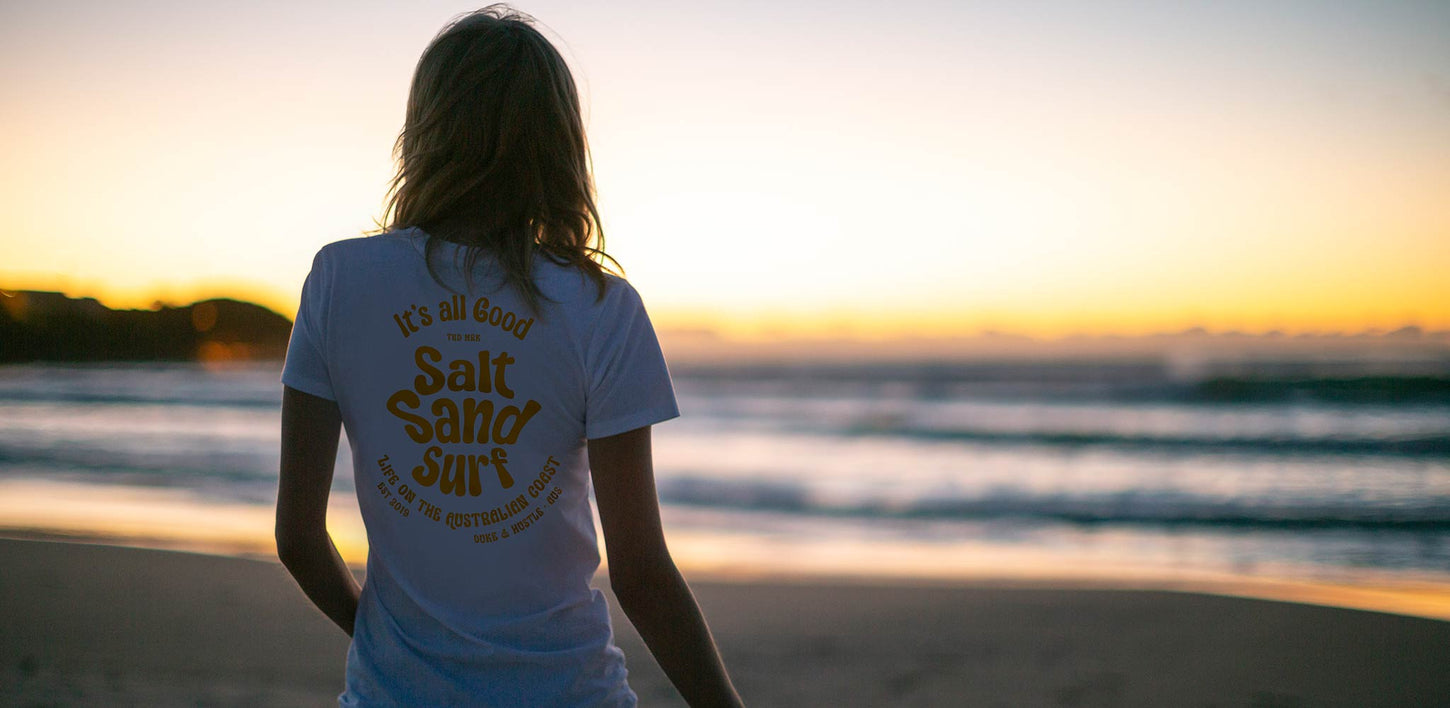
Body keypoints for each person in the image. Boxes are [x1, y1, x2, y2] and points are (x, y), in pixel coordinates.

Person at [274, 6, 744, 706]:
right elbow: (641, 573)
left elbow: (298, 536)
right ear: (558, 142)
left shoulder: (339, 281)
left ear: (427, 129)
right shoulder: (601, 308)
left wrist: (386, 644)